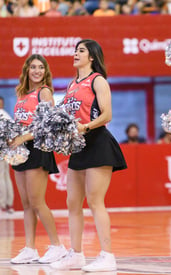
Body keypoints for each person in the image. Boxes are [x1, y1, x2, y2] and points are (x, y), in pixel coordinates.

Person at [51, 39, 127, 272]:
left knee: (95, 201)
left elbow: (107, 115)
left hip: (97, 143)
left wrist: (85, 127)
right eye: (75, 50)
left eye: (81, 51)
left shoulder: (98, 80)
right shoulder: (72, 84)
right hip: (77, 146)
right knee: (72, 202)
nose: (76, 53)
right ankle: (76, 254)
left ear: (92, 57)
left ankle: (107, 255)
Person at [10, 54, 67, 264]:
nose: (36, 71)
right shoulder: (22, 94)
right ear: (27, 70)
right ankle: (30, 248)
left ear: (45, 72)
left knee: (37, 202)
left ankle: (57, 246)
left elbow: (48, 125)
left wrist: (24, 136)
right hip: (21, 151)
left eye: (40, 68)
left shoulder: (44, 92)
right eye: (33, 67)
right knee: (25, 204)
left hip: (37, 148)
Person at [0, 96, 14, 214]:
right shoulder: (6, 115)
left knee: (1, 177)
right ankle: (8, 204)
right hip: (7, 149)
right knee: (6, 177)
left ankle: (2, 204)